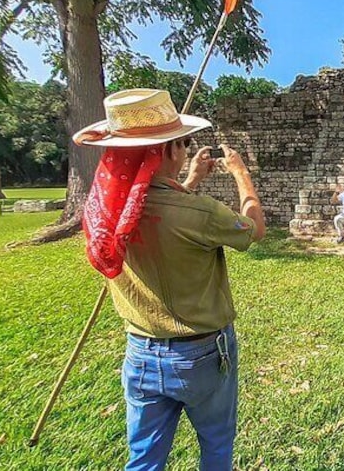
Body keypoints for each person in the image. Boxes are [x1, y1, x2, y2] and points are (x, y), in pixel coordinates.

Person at [73, 88, 265, 471]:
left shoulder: (106, 212)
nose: (184, 151)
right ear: (168, 150)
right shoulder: (199, 212)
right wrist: (242, 176)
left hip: (141, 350)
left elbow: (155, 216)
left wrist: (188, 181)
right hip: (202, 354)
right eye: (182, 144)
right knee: (216, 444)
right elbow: (253, 229)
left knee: (144, 457)